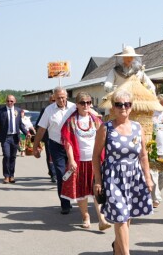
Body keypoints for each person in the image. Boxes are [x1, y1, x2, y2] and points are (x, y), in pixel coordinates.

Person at [92, 89, 154, 255]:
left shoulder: (137, 127)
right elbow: (96, 156)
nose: (123, 107)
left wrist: (148, 178)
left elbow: (143, 155)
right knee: (120, 216)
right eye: (119, 104)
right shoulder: (105, 128)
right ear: (113, 107)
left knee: (127, 217)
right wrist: (98, 180)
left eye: (126, 104)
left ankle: (118, 248)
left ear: (131, 106)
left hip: (133, 176)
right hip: (113, 177)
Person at [60, 92, 111, 231]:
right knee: (81, 192)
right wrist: (71, 160)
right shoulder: (71, 121)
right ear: (77, 105)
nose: (86, 105)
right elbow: (68, 142)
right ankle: (85, 216)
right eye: (82, 103)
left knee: (97, 190)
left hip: (95, 161)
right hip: (79, 161)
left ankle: (101, 219)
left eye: (88, 102)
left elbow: (104, 139)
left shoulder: (96, 121)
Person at [33, 86, 76, 214]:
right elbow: (41, 130)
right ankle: (65, 204)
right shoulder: (49, 110)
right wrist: (35, 147)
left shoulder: (74, 108)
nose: (61, 100)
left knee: (75, 173)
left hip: (73, 145)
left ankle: (76, 199)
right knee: (61, 173)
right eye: (58, 98)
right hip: (56, 145)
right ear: (54, 98)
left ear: (66, 96)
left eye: (63, 97)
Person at [0, 95, 30, 184]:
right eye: (8, 101)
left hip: (15, 137)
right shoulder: (0, 111)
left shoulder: (18, 111)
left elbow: (20, 124)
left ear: (15, 101)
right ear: (6, 101)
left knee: (13, 157)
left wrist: (26, 133)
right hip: (5, 138)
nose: (9, 102)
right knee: (6, 156)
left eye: (11, 101)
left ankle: (11, 175)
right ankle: (6, 176)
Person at [36, 94, 57, 183]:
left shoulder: (66, 109)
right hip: (49, 137)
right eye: (53, 100)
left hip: (61, 138)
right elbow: (39, 125)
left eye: (55, 100)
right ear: (50, 101)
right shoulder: (46, 110)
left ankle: (56, 171)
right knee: (50, 156)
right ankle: (53, 174)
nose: (55, 102)